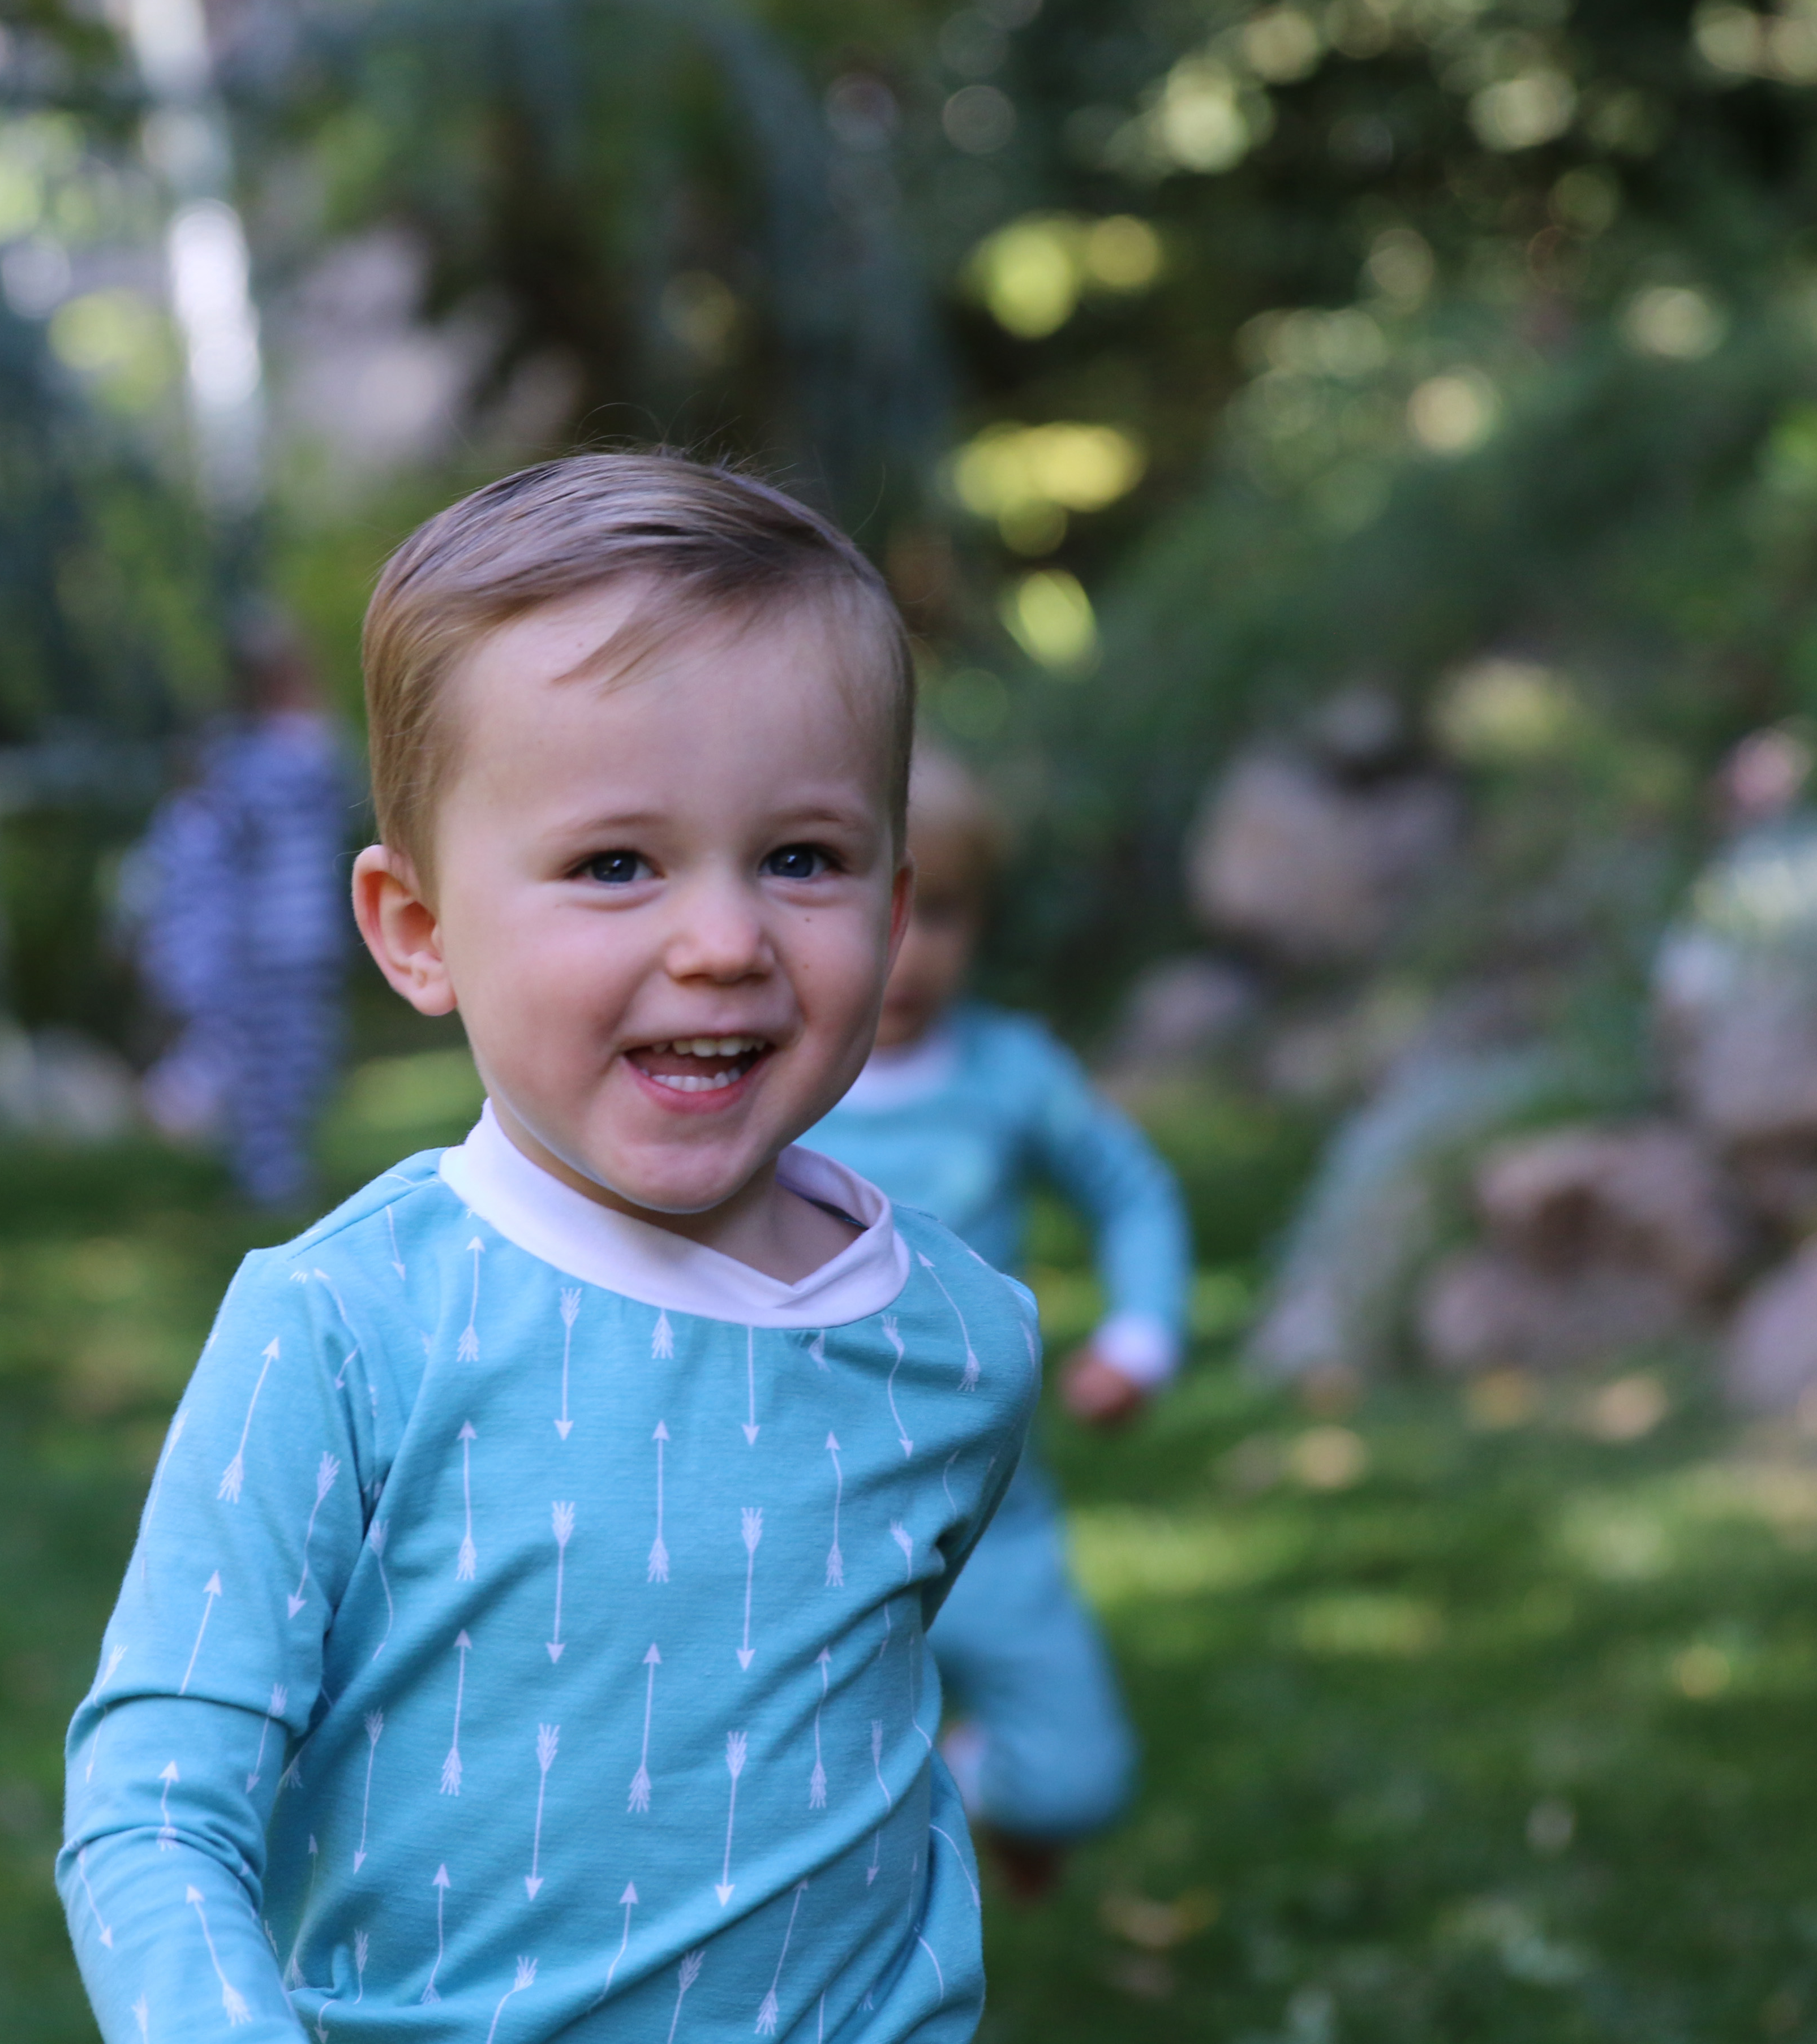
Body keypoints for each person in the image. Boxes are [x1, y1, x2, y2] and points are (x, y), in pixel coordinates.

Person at [59, 455, 1041, 2043]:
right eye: (614, 865)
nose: (721, 942)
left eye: (801, 857)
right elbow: (155, 1809)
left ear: (893, 902)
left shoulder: (955, 1337)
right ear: (418, 930)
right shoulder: (345, 1325)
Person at [797, 740, 1191, 1901]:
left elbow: (1132, 1190)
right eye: (865, 910)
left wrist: (1140, 1337)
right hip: (809, 1529)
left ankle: (979, 1785)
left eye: (942, 910)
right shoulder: (770, 1082)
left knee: (1075, 1779)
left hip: (990, 1520)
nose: (910, 951)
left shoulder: (1010, 1073)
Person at [132, 608, 355, 1206]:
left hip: (285, 928)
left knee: (284, 1054)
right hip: (278, 931)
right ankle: (261, 1168)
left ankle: (259, 1158)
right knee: (276, 1056)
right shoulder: (294, 752)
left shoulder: (248, 756)